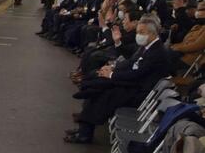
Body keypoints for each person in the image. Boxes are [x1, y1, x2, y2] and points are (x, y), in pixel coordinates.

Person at [66, 16, 171, 144]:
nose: (138, 35)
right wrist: (112, 68)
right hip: (133, 84)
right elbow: (131, 62)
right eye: (138, 32)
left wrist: (111, 75)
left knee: (102, 93)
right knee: (96, 85)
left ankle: (85, 133)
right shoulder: (147, 46)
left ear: (153, 33)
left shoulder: (158, 53)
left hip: (139, 92)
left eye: (142, 32)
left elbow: (137, 74)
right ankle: (84, 126)